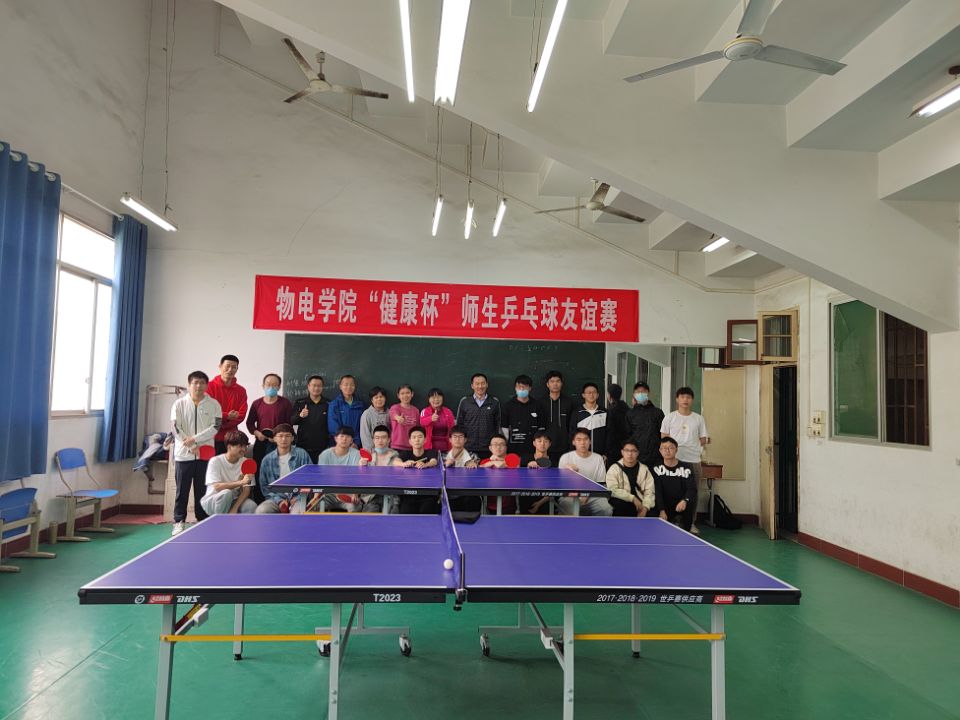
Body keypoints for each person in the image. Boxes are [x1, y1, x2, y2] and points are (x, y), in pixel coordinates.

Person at [170, 371, 222, 535]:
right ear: (189, 385)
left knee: (202, 490)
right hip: (183, 454)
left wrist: (195, 440)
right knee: (181, 490)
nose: (198, 386)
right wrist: (190, 444)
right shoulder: (179, 404)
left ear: (206, 385)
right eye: (195, 382)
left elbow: (216, 427)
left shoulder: (214, 404)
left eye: (202, 382)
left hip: (204, 455)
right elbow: (175, 427)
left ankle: (202, 520)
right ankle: (179, 521)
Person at [660, 386, 709, 534]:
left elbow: (703, 439)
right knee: (672, 491)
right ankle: (673, 520)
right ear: (677, 399)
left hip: (693, 460)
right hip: (674, 460)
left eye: (688, 397)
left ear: (692, 400)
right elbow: (664, 438)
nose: (685, 400)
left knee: (693, 492)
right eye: (682, 397)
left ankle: (690, 522)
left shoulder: (698, 418)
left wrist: (693, 446)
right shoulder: (669, 417)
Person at [245, 373, 293, 503]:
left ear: (279, 387)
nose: (271, 387)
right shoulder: (257, 404)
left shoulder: (285, 403)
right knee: (260, 472)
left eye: (274, 385)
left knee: (278, 473)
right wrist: (257, 433)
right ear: (263, 385)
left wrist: (279, 437)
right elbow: (250, 423)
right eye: (268, 384)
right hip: (261, 444)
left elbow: (289, 424)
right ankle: (260, 502)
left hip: (280, 445)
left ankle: (279, 501)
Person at [256, 424, 313, 514]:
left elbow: (310, 480)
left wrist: (299, 497)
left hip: (298, 497)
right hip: (275, 499)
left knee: (297, 513)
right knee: (261, 510)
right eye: (280, 436)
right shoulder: (267, 460)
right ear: (274, 438)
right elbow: (265, 487)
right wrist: (279, 501)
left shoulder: (302, 454)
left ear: (292, 438)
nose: (284, 439)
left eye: (287, 436)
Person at [557, 428, 613, 517]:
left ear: (590, 442)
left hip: (593, 494)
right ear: (573, 442)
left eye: (585, 439)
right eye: (579, 439)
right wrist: (568, 472)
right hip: (570, 495)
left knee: (606, 509)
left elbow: (600, 484)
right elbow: (562, 484)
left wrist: (586, 494)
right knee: (568, 508)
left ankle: (598, 526)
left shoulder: (598, 458)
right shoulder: (565, 458)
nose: (582, 442)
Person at [200, 431, 257, 516]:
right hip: (214, 500)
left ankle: (236, 523)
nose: (244, 449)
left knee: (251, 506)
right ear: (229, 447)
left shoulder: (247, 462)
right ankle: (219, 521)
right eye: (240, 446)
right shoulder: (215, 461)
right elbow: (217, 487)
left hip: (234, 500)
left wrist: (235, 508)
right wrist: (241, 482)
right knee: (226, 493)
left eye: (245, 446)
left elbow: (246, 490)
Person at [652, 436, 697, 532]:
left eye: (671, 448)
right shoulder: (656, 468)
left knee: (689, 503)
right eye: (664, 448)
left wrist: (685, 500)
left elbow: (692, 489)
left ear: (676, 450)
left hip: (681, 504)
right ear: (660, 451)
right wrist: (661, 510)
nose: (667, 451)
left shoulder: (686, 468)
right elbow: (657, 491)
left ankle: (686, 527)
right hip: (664, 505)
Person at [206, 354, 247, 455]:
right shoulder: (209, 387)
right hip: (211, 436)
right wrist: (227, 416)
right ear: (220, 367)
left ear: (237, 369)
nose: (230, 370)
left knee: (231, 464)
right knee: (211, 464)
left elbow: (241, 414)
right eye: (227, 366)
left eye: (234, 367)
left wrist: (222, 423)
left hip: (232, 439)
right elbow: (207, 412)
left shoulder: (241, 390)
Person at [454, 372, 501, 456]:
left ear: (487, 385)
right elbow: (459, 424)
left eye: (483, 383)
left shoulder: (494, 402)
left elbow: (497, 425)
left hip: (488, 448)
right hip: (468, 447)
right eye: (477, 384)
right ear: (472, 386)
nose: (480, 386)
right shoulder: (465, 401)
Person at [316, 426, 362, 511]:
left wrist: (355, 493)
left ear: (351, 440)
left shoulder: (357, 454)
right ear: (336, 438)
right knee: (317, 507)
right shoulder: (325, 455)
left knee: (355, 508)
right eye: (342, 436)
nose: (344, 439)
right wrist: (316, 495)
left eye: (348, 437)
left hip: (348, 493)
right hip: (329, 493)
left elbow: (357, 477)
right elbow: (321, 478)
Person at [605, 440, 655, 517]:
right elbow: (612, 490)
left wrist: (645, 508)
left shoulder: (644, 469)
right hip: (623, 502)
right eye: (627, 450)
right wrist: (632, 498)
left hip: (641, 503)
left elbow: (650, 492)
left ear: (638, 453)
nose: (630, 454)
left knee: (653, 514)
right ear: (622, 452)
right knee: (620, 506)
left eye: (633, 451)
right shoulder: (614, 469)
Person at [396, 426, 439, 514]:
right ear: (410, 441)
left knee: (427, 510)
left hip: (427, 494)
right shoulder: (405, 453)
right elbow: (395, 461)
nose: (417, 440)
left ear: (425, 440)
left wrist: (425, 464)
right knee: (406, 511)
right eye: (414, 437)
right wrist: (404, 463)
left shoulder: (431, 452)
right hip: (409, 494)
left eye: (420, 437)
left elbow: (434, 461)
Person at [501, 374, 545, 457]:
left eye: (524, 387)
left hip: (533, 449)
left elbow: (541, 428)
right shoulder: (508, 406)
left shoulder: (537, 405)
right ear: (515, 388)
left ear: (530, 388)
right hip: (513, 449)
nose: (521, 389)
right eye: (519, 387)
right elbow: (504, 429)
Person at [357, 424, 398, 512]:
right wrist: (361, 468)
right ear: (373, 440)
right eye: (377, 438)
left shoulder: (395, 455)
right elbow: (361, 480)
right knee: (369, 516)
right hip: (371, 496)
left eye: (383, 437)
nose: (380, 440)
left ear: (389, 439)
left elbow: (397, 479)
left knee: (393, 514)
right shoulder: (366, 457)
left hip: (390, 494)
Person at [627, 381, 665, 472]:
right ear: (634, 394)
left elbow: (663, 435)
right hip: (636, 457)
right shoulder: (630, 414)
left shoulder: (658, 413)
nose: (640, 393)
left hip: (655, 457)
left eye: (643, 391)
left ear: (648, 393)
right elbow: (627, 436)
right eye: (638, 392)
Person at [292, 375, 329, 462]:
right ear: (308, 386)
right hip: (303, 446)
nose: (316, 388)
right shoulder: (300, 402)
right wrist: (300, 415)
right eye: (314, 385)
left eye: (319, 386)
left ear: (322, 387)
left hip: (323, 447)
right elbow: (292, 421)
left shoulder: (328, 403)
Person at [444, 425, 480, 513]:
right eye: (455, 436)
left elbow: (477, 470)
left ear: (465, 440)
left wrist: (473, 464)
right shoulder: (443, 456)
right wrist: (445, 465)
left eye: (461, 437)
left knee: (473, 500)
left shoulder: (473, 456)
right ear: (450, 439)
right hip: (449, 493)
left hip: (467, 493)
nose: (457, 439)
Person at [571, 382, 609, 459]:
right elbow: (572, 433)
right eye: (588, 392)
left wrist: (606, 453)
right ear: (583, 395)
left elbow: (609, 434)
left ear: (597, 395)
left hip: (599, 455)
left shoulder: (604, 412)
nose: (591, 395)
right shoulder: (577, 412)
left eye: (594, 392)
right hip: (581, 455)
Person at [543, 370, 573, 466]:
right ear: (547, 384)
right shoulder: (540, 403)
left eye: (558, 381)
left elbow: (572, 426)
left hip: (565, 448)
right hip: (545, 448)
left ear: (561, 383)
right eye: (552, 381)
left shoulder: (569, 403)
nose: (555, 384)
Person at [521, 430, 553, 515]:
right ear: (534, 443)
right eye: (539, 441)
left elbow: (555, 488)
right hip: (526, 496)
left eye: (546, 441)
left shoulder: (554, 462)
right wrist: (528, 465)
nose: (542, 444)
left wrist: (539, 504)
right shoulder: (524, 459)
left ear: (550, 444)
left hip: (546, 499)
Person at [328, 374, 365, 445]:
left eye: (351, 385)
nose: (349, 387)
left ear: (355, 386)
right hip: (339, 444)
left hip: (356, 444)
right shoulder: (334, 405)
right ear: (340, 386)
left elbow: (362, 427)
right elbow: (333, 427)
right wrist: (345, 441)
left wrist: (356, 442)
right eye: (346, 384)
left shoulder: (360, 405)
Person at [420, 388, 456, 453]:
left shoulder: (448, 412)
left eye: (439, 397)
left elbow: (453, 429)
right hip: (429, 448)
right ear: (429, 400)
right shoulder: (425, 411)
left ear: (442, 399)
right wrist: (430, 419)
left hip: (446, 447)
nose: (436, 399)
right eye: (433, 397)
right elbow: (421, 422)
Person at [389, 384, 420, 452]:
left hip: (412, 446)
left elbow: (418, 428)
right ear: (398, 396)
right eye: (402, 393)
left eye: (407, 393)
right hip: (396, 446)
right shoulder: (395, 407)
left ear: (412, 394)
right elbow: (393, 414)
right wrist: (398, 418)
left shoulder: (416, 410)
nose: (405, 395)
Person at [605, 384, 630, 466]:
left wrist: (607, 450)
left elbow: (610, 431)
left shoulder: (611, 410)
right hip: (626, 446)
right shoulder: (627, 408)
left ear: (609, 396)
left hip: (613, 449)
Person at [359, 386, 390, 451]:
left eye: (381, 397)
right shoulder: (367, 414)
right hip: (373, 451)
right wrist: (372, 451)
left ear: (385, 398)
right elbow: (365, 435)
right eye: (376, 397)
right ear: (372, 400)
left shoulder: (390, 413)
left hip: (388, 450)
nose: (379, 399)